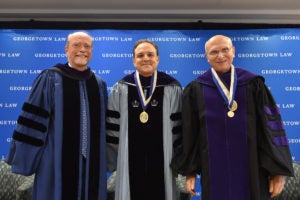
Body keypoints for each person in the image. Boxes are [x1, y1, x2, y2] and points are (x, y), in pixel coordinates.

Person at [170, 35, 294, 200]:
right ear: (206, 57)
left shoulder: (253, 84)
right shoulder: (196, 89)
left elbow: (270, 128)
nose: (220, 56)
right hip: (213, 171)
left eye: (225, 50)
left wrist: (278, 171)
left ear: (233, 51)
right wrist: (190, 171)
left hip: (252, 170)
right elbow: (190, 132)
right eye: (214, 52)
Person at [5, 31, 108, 200]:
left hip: (92, 164)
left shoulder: (98, 84)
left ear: (91, 51)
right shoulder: (50, 78)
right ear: (66, 49)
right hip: (55, 162)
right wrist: (25, 158)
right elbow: (33, 120)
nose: (82, 50)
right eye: (76, 45)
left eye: (87, 46)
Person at [106, 39, 183, 200]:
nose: (146, 58)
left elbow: (179, 128)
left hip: (164, 163)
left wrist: (179, 161)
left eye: (150, 54)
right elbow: (112, 130)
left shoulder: (171, 87)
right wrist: (113, 161)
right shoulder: (121, 88)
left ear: (158, 59)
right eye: (140, 55)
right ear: (134, 60)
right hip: (129, 163)